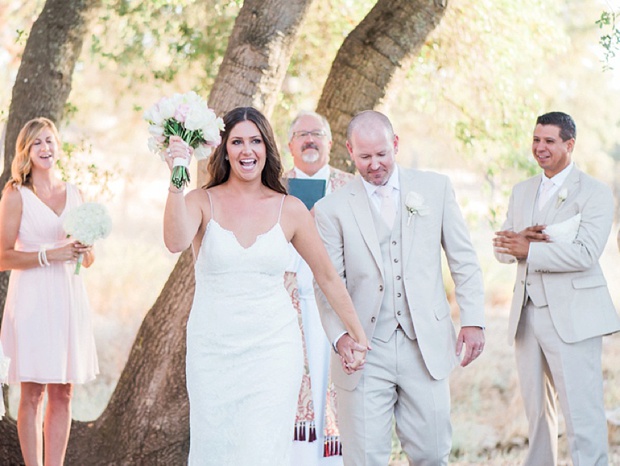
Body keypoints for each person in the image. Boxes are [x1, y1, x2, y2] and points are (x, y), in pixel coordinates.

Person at [162, 106, 368, 465]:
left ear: (267, 148)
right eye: (237, 141)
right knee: (215, 449)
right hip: (212, 351)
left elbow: (327, 275)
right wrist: (177, 176)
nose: (247, 150)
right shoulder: (200, 201)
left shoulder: (288, 209)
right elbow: (175, 241)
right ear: (224, 148)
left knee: (263, 450)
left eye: (255, 141)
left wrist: (357, 335)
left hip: (273, 350)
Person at [313, 110, 485, 465]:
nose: (375, 165)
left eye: (381, 154)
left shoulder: (435, 189)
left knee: (433, 453)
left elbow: (463, 260)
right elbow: (328, 283)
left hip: (425, 345)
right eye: (364, 157)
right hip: (363, 351)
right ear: (349, 151)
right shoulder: (331, 209)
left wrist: (473, 320)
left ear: (395, 144)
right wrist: (340, 337)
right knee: (364, 458)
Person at [493, 111, 620, 466]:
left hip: (573, 317)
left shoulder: (594, 192)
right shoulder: (521, 191)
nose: (540, 147)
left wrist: (529, 249)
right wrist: (517, 242)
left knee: (582, 412)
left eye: (549, 141)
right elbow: (502, 249)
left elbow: (584, 253)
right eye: (536, 139)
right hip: (526, 317)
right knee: (537, 414)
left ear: (569, 144)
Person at [0, 117, 98, 465]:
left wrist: (84, 249)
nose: (45, 148)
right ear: (25, 151)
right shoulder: (16, 194)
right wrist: (49, 254)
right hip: (32, 300)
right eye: (37, 143)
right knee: (33, 391)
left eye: (50, 141)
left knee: (64, 390)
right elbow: (2, 257)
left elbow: (88, 261)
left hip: (69, 299)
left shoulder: (75, 193)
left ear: (58, 146)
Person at [283, 111, 352, 465]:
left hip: (338, 308)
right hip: (287, 308)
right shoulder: (273, 189)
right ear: (290, 144)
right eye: (301, 134)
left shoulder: (350, 187)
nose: (309, 140)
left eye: (317, 133)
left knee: (334, 382)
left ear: (329, 142)